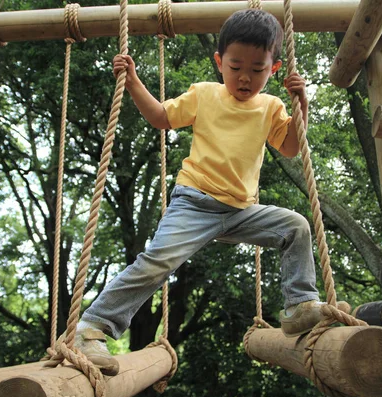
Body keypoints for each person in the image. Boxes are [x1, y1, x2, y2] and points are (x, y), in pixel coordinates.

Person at [74, 9, 327, 376]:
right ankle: (91, 327)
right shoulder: (205, 94)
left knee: (296, 225)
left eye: (257, 70)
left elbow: (290, 147)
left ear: (273, 70)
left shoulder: (271, 106)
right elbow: (162, 117)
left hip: (240, 210)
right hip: (194, 202)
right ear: (219, 61)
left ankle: (299, 306)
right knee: (158, 261)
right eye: (236, 66)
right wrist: (133, 83)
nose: (244, 77)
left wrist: (302, 104)